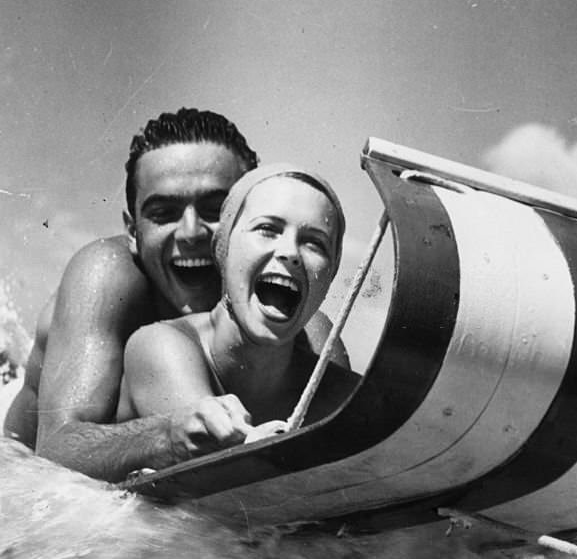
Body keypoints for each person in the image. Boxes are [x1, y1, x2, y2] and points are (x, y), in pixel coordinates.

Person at [3, 109, 347, 480]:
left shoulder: (309, 333)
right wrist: (167, 435)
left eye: (215, 209)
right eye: (164, 213)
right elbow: (55, 451)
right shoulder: (109, 278)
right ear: (134, 231)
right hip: (19, 474)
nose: (190, 232)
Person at [115, 164, 359, 460]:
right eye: (267, 229)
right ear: (223, 249)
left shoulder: (334, 386)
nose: (290, 253)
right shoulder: (161, 344)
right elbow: (219, 460)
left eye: (314, 243)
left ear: (330, 275)